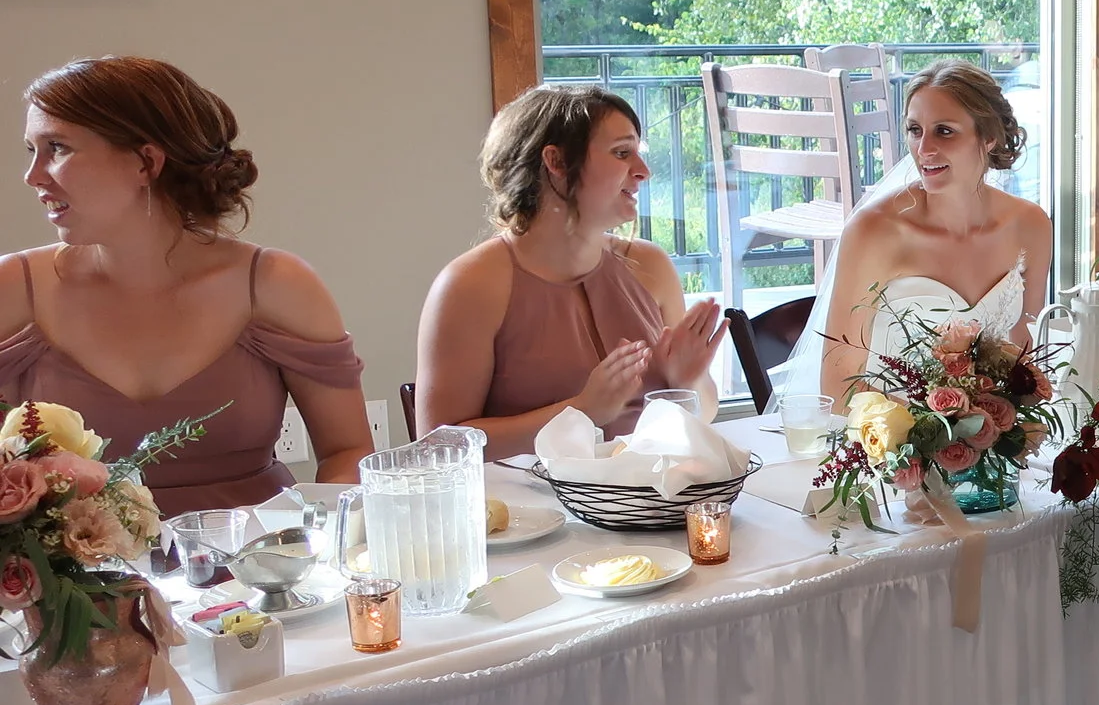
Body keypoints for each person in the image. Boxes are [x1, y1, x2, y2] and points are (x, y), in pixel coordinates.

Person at [0, 57, 370, 510]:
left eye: (57, 148)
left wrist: (325, 538)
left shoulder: (275, 284)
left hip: (256, 568)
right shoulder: (12, 288)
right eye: (31, 151)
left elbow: (348, 451)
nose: (33, 176)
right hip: (79, 579)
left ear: (146, 162)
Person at [417, 84, 724, 460]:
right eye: (621, 153)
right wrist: (582, 412)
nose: (643, 171)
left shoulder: (651, 267)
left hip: (648, 505)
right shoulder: (471, 285)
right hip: (526, 514)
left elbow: (705, 411)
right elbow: (438, 448)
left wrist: (688, 380)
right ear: (557, 162)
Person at [803, 61, 1054, 403]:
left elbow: (1024, 357)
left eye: (944, 131)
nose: (923, 150)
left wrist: (999, 427)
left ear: (990, 136)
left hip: (987, 450)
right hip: (884, 446)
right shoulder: (874, 232)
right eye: (915, 130)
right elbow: (837, 385)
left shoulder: (1031, 227)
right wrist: (940, 431)